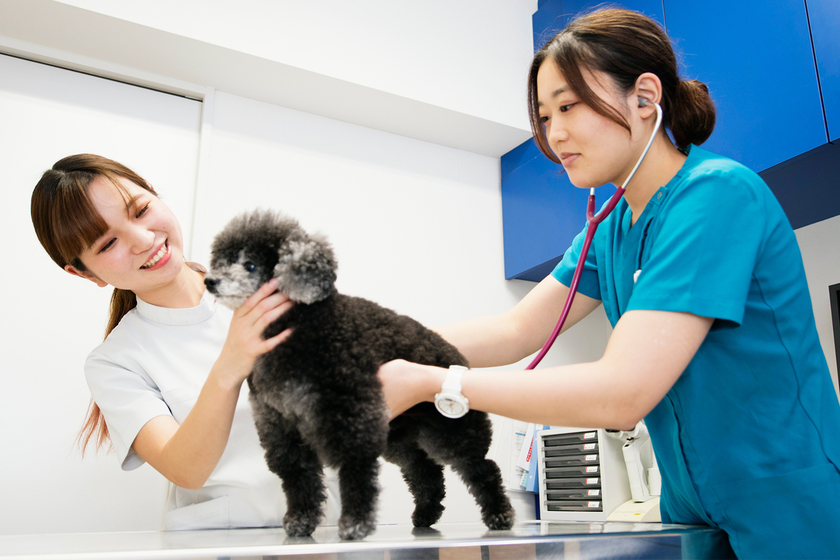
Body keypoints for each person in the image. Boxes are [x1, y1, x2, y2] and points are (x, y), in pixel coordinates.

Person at [378, 8, 840, 559]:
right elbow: (518, 327)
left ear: (645, 97)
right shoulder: (611, 226)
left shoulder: (717, 196)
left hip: (785, 497)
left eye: (568, 106)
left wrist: (434, 383)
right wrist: (376, 344)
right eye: (546, 116)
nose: (555, 135)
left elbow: (624, 391)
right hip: (693, 503)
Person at [31, 154, 339, 530]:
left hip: (330, 531)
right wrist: (231, 363)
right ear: (83, 272)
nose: (144, 240)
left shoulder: (265, 281)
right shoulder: (115, 361)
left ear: (154, 192)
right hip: (224, 545)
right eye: (108, 243)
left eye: (141, 210)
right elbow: (185, 469)